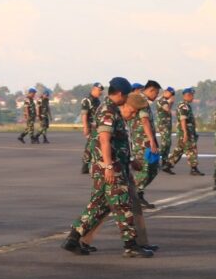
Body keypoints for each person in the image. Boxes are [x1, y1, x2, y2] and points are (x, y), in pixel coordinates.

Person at [62, 78, 153, 258]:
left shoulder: (111, 110)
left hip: (111, 165)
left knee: (99, 205)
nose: (126, 99)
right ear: (119, 94)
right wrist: (109, 166)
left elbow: (117, 142)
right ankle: (131, 246)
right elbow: (104, 140)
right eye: (126, 95)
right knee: (121, 203)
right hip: (109, 167)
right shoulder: (108, 111)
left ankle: (73, 239)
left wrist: (130, 160)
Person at [130, 81, 162, 207]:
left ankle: (138, 194)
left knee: (153, 168)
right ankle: (131, 195)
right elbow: (144, 121)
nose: (157, 96)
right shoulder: (141, 101)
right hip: (142, 142)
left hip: (145, 140)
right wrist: (152, 141)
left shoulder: (142, 100)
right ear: (151, 90)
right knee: (145, 169)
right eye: (157, 93)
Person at [165, 88, 205, 176]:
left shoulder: (185, 105)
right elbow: (183, 120)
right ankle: (194, 169)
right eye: (192, 95)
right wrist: (186, 133)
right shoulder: (183, 106)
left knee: (179, 149)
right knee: (192, 149)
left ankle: (168, 165)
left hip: (186, 132)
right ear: (187, 95)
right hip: (186, 133)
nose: (193, 97)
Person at [79, 83, 103, 174]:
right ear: (94, 89)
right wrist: (85, 127)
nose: (100, 92)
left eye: (101, 91)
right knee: (90, 146)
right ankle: (86, 164)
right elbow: (84, 115)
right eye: (99, 90)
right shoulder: (87, 100)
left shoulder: (97, 101)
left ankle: (89, 165)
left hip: (97, 127)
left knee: (94, 145)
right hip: (91, 127)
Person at [156, 87, 175, 173]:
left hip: (166, 125)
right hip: (163, 125)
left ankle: (164, 161)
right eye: (170, 94)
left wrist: (171, 103)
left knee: (167, 143)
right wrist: (170, 102)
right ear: (166, 92)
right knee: (165, 143)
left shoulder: (165, 100)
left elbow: (168, 109)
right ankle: (159, 161)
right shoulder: (162, 100)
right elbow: (167, 109)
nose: (171, 96)